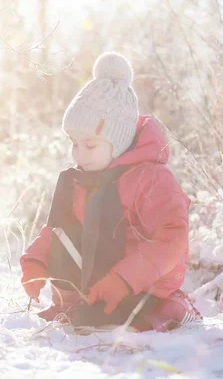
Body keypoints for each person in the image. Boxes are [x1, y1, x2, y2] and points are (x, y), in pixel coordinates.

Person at [20, 52, 202, 332]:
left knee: (140, 320)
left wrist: (123, 279)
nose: (79, 154)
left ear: (119, 141)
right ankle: (72, 303)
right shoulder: (85, 178)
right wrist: (36, 261)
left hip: (143, 282)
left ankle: (174, 308)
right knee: (69, 227)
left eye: (90, 145)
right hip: (103, 279)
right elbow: (60, 229)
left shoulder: (152, 179)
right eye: (74, 143)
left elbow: (171, 239)